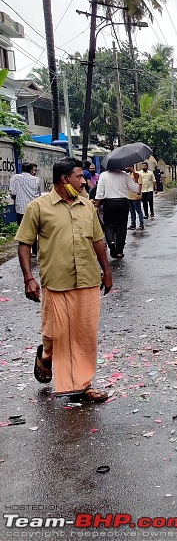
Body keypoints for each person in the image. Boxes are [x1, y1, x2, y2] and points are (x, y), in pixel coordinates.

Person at [15, 157, 112, 402]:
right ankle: (46, 355)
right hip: (56, 279)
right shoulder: (38, 207)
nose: (84, 181)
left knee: (84, 333)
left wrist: (106, 271)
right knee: (54, 334)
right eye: (79, 177)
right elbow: (25, 243)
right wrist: (28, 277)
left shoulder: (87, 206)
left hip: (87, 279)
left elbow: (97, 240)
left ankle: (81, 386)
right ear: (64, 179)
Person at [94, 166, 141, 259]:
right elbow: (136, 189)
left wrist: (97, 205)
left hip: (109, 203)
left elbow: (100, 192)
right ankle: (119, 251)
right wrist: (135, 177)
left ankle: (111, 241)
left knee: (108, 225)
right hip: (123, 203)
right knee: (121, 227)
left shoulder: (103, 175)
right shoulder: (125, 176)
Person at [9, 162, 41, 256]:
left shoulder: (15, 178)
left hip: (21, 209)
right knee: (34, 229)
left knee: (22, 231)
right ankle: (35, 250)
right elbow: (38, 194)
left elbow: (13, 192)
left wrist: (18, 198)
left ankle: (26, 252)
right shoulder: (36, 179)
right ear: (31, 170)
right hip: (34, 208)